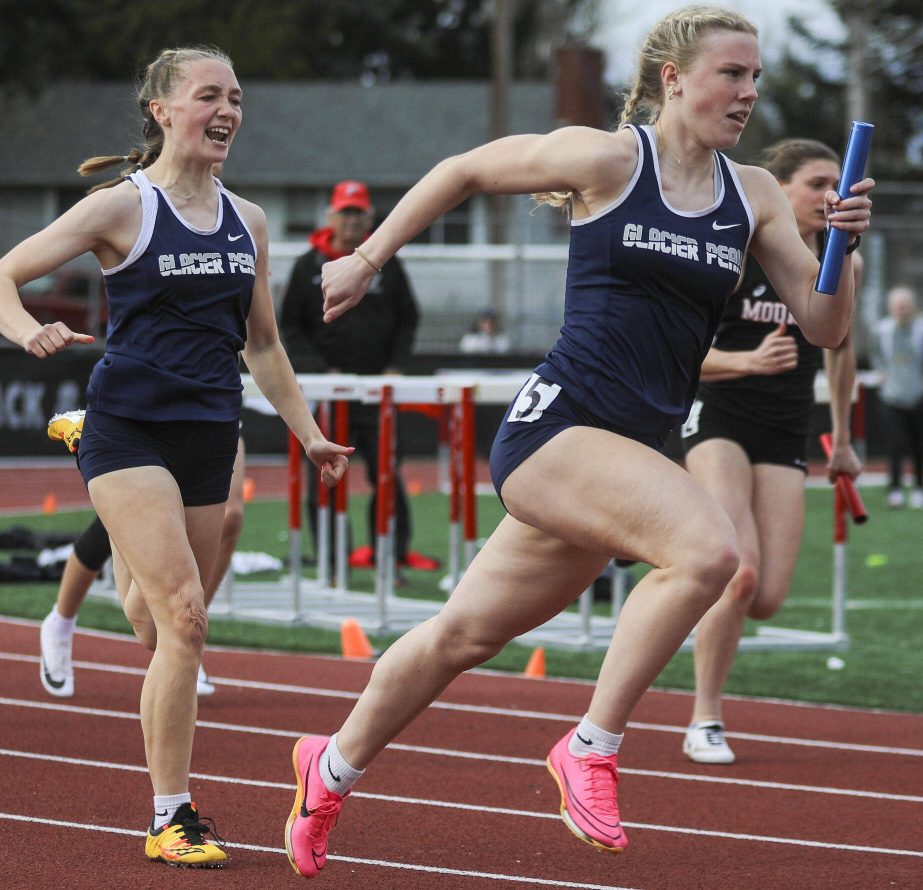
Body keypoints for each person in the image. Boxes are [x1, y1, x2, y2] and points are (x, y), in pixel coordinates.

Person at [280, 6, 873, 877]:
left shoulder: (752, 194)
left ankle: (326, 769)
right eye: (730, 74)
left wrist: (842, 252)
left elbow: (825, 326)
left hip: (625, 453)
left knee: (460, 637)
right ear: (674, 77)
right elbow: (462, 170)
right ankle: (590, 748)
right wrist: (367, 259)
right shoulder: (608, 159)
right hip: (558, 430)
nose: (747, 94)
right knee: (709, 553)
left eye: (755, 79)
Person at [0, 45, 351, 868]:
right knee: (186, 618)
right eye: (210, 95)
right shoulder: (122, 208)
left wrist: (308, 431)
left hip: (210, 433)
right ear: (162, 110)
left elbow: (265, 345)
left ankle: (123, 574)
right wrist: (24, 327)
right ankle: (170, 817)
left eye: (237, 99)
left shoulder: (246, 219)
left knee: (151, 616)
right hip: (130, 427)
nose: (228, 112)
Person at [679, 138, 864, 764]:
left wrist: (841, 436)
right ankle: (705, 718)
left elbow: (841, 354)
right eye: (815, 183)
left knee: (767, 597)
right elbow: (681, 353)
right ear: (776, 190)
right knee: (740, 571)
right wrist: (747, 361)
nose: (829, 194)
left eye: (837, 183)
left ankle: (673, 564)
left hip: (786, 429)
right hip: (718, 415)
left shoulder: (842, 264)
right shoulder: (734, 256)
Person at [279, 179, 439, 573]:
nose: (352, 221)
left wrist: (395, 366)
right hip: (326, 392)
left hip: (376, 390)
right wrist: (321, 370)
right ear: (331, 216)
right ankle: (332, 558)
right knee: (325, 473)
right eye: (345, 213)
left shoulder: (384, 261)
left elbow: (408, 318)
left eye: (358, 213)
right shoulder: (306, 266)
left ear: (369, 217)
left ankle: (392, 555)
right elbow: (291, 329)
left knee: (387, 473)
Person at [39, 412, 248, 699]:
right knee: (149, 623)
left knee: (228, 517)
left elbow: (268, 364)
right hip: (145, 407)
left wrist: (310, 435)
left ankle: (190, 630)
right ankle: (60, 622)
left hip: (212, 405)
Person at [871, 285, 923, 509]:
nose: (901, 309)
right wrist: (882, 372)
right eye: (896, 305)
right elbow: (876, 355)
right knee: (894, 445)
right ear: (890, 307)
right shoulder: (882, 330)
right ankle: (895, 490)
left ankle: (919, 490)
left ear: (912, 306)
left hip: (920, 396)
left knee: (920, 445)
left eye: (904, 305)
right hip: (891, 397)